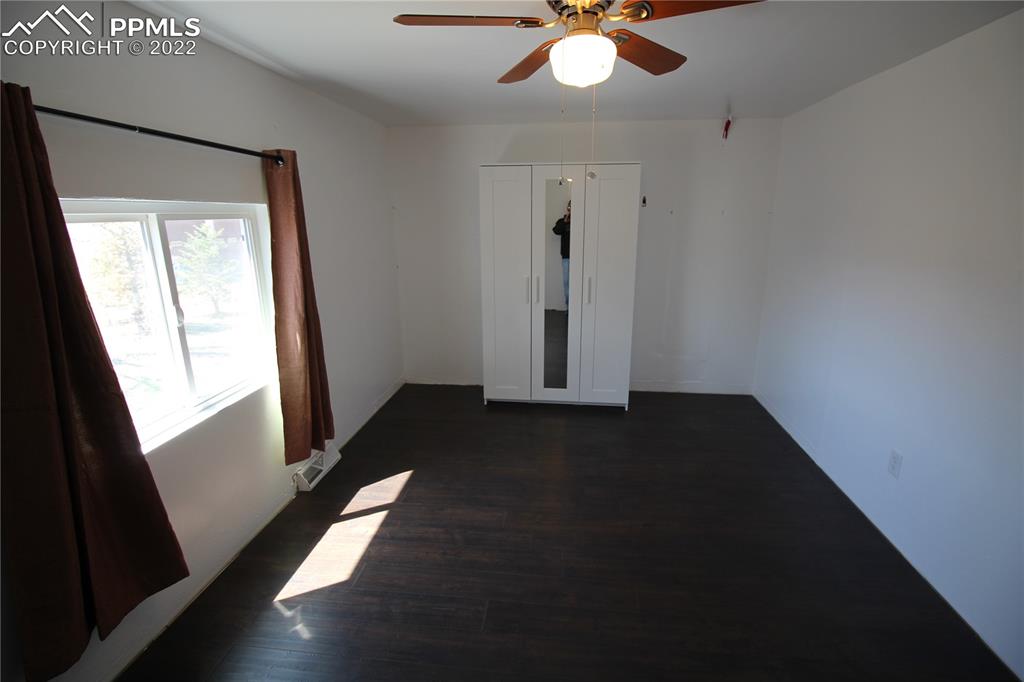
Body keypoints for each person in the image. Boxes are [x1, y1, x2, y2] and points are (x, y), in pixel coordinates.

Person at [553, 201, 571, 306]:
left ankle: (576, 308)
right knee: (566, 282)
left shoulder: (581, 220)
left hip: (580, 257)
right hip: (566, 257)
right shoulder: (562, 221)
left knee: (578, 283)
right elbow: (556, 230)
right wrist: (566, 220)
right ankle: (569, 307)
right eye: (570, 207)